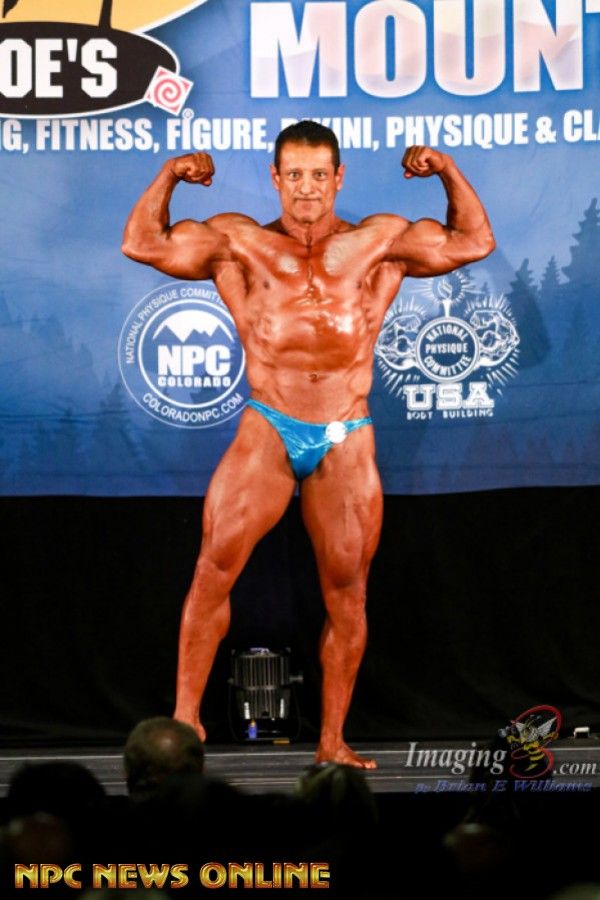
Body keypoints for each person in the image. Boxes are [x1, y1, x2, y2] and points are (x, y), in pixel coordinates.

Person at [122, 121, 494, 768]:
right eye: (294, 175)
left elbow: (474, 241)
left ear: (338, 177)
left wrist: (445, 169)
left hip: (346, 430)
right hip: (270, 422)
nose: (307, 189)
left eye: (319, 175)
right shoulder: (240, 241)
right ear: (275, 177)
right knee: (213, 570)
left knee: (346, 593)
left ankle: (331, 741)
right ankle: (184, 725)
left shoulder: (379, 241)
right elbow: (141, 242)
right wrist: (170, 175)